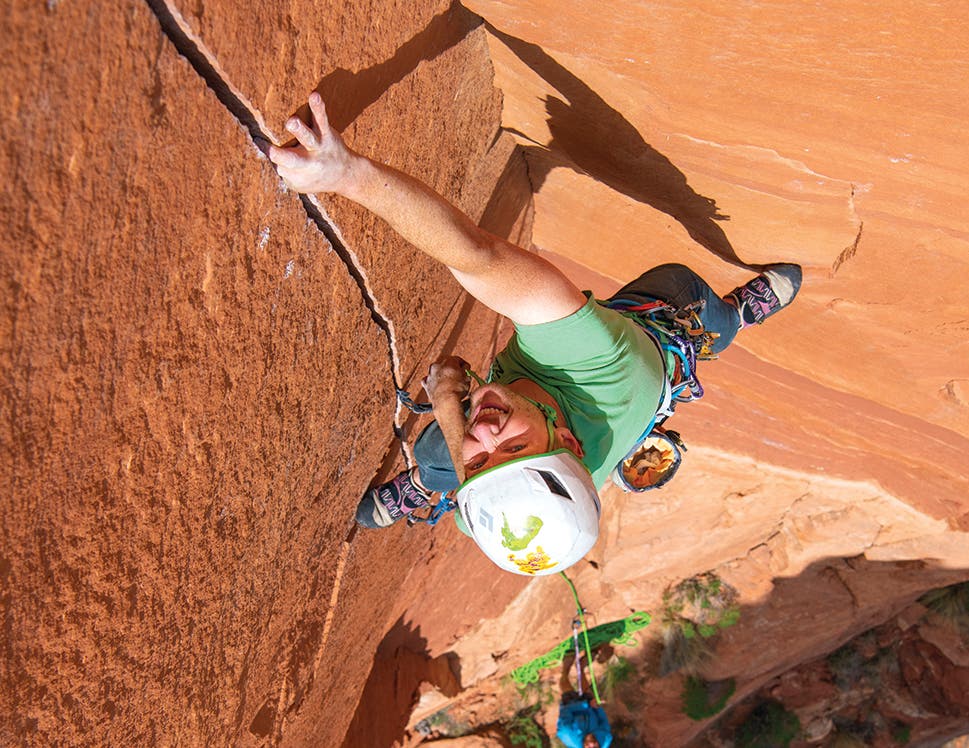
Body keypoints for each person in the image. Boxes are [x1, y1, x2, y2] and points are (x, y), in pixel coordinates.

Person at [268, 93, 801, 576]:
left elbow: (480, 474)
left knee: (437, 456)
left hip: (571, 433)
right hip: (658, 342)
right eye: (516, 446)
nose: (484, 434)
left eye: (481, 462)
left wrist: (449, 407)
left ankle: (425, 482)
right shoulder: (598, 359)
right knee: (698, 308)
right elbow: (477, 257)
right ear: (567, 442)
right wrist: (346, 174)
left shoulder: (491, 515)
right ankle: (738, 314)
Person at [556, 644, 613, 748]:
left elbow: (565, 710)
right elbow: (603, 721)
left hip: (571, 709)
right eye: (596, 747)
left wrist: (585, 705)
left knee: (566, 688)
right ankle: (580, 666)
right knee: (587, 692)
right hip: (589, 710)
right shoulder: (605, 739)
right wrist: (596, 707)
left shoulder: (567, 734)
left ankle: (565, 669)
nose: (592, 744)